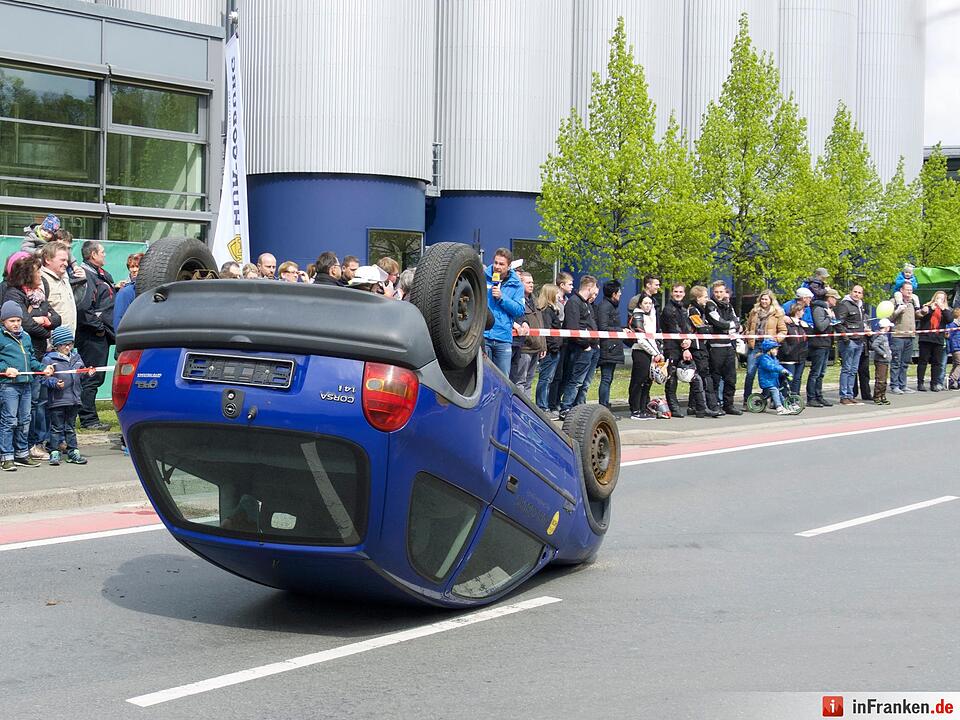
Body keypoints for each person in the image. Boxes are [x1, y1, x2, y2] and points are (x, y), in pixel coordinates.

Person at [5, 254, 61, 460]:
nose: (40, 275)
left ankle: (33, 444)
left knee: (38, 404)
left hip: (38, 356)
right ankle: (21, 447)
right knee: (22, 410)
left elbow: (56, 317)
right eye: (37, 271)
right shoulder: (14, 294)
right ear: (28, 274)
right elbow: (26, 324)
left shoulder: (38, 294)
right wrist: (46, 330)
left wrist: (43, 320)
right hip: (24, 360)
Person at [0, 301, 54, 471]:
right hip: (9, 386)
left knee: (25, 420)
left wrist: (42, 368)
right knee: (9, 420)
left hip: (26, 385)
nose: (15, 324)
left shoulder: (26, 337)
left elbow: (30, 359)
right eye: (11, 321)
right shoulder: (1, 337)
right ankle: (6, 456)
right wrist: (5, 369)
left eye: (18, 320)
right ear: (3, 322)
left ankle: (22, 453)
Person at [77, 241, 115, 430]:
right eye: (102, 252)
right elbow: (84, 308)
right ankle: (88, 419)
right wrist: (99, 328)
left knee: (97, 377)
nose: (105, 255)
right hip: (92, 336)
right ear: (93, 254)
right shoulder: (86, 275)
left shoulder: (100, 274)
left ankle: (89, 417)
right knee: (91, 377)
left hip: (103, 335)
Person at [43, 325, 88, 466]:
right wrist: (55, 383)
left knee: (70, 427)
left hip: (74, 399)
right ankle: (54, 451)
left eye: (70, 344)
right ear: (57, 346)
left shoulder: (76, 357)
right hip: (57, 401)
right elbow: (43, 379)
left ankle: (73, 451)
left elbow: (82, 372)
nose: (68, 347)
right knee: (56, 427)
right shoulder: (49, 359)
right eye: (64, 345)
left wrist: (87, 372)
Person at [558, 275, 599, 419]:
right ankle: (566, 407)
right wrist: (585, 344)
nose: (595, 291)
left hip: (592, 347)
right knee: (576, 380)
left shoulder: (587, 304)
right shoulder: (574, 303)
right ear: (589, 287)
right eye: (594, 288)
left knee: (585, 382)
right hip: (581, 348)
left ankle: (580, 408)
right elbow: (573, 328)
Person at [483, 248, 525, 377]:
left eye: (501, 264)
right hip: (483, 336)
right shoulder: (482, 277)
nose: (497, 267)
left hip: (503, 338)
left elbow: (519, 310)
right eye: (496, 262)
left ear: (509, 266)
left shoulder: (516, 285)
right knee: (483, 378)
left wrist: (502, 298)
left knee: (502, 380)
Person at [741, 289, 786, 408]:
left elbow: (783, 331)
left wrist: (775, 342)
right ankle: (746, 400)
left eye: (766, 299)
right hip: (755, 346)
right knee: (750, 373)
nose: (764, 301)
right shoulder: (754, 311)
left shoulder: (778, 313)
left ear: (771, 300)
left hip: (768, 348)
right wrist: (747, 335)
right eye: (762, 298)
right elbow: (749, 326)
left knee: (769, 373)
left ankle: (765, 397)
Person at [704, 280, 742, 415]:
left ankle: (729, 404)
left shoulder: (728, 305)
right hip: (715, 347)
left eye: (721, 291)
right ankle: (714, 405)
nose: (719, 294)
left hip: (728, 347)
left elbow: (737, 321)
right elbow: (718, 322)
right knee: (715, 378)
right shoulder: (710, 305)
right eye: (716, 292)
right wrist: (731, 326)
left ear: (725, 292)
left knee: (731, 378)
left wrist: (732, 325)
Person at [686, 285, 721, 415]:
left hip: (702, 346)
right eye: (705, 297)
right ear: (698, 297)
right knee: (703, 376)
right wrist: (713, 328)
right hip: (697, 347)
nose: (707, 299)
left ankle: (693, 405)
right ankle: (706, 407)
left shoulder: (701, 310)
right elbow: (701, 328)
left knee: (700, 377)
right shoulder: (693, 310)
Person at [510, 272, 545, 398]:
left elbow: (540, 324)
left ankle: (528, 409)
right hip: (524, 347)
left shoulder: (534, 301)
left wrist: (543, 345)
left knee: (529, 381)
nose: (532, 285)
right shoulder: (518, 300)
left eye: (532, 282)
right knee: (520, 380)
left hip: (536, 347)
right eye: (528, 282)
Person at [627, 294, 662, 420]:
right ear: (640, 304)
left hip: (651, 353)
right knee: (638, 381)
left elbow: (653, 337)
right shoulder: (638, 315)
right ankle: (635, 410)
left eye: (650, 303)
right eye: (645, 303)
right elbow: (641, 339)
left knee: (647, 382)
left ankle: (642, 408)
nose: (648, 305)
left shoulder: (651, 316)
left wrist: (658, 352)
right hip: (640, 352)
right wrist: (655, 353)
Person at [835, 285, 869, 405]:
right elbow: (838, 323)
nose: (857, 294)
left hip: (860, 340)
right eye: (855, 292)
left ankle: (850, 394)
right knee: (847, 369)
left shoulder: (861, 305)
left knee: (853, 370)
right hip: (849, 341)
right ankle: (844, 395)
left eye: (859, 292)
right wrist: (846, 338)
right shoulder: (845, 304)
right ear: (851, 292)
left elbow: (861, 322)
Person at [805, 287, 839, 407]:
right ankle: (811, 397)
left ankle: (819, 396)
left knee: (822, 373)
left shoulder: (828, 309)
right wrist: (829, 317)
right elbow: (820, 326)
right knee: (815, 372)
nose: (836, 301)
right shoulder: (819, 309)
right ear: (829, 298)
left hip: (826, 344)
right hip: (818, 344)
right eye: (835, 299)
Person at [547, 272, 573, 412]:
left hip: (566, 341)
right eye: (569, 284)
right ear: (561, 285)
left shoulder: (568, 300)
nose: (572, 286)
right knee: (555, 375)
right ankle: (551, 403)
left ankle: (557, 400)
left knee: (564, 373)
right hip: (557, 342)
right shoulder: (555, 301)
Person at [535, 283, 563, 412]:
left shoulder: (552, 310)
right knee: (545, 378)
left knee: (549, 378)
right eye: (557, 293)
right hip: (551, 350)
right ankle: (542, 405)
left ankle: (545, 404)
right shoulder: (546, 311)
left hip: (554, 349)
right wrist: (553, 346)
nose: (559, 296)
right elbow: (547, 332)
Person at [596, 280, 624, 410]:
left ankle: (605, 403)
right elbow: (603, 327)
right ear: (613, 294)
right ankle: (603, 405)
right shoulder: (605, 306)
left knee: (609, 378)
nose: (620, 294)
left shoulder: (611, 306)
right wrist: (620, 330)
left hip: (612, 347)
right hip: (608, 348)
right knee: (606, 378)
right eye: (619, 292)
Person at [916, 290, 951, 392]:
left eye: (942, 298)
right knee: (923, 361)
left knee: (937, 363)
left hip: (938, 339)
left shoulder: (945, 310)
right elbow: (922, 316)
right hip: (926, 338)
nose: (939, 300)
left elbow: (949, 320)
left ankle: (934, 384)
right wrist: (931, 309)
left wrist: (943, 309)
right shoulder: (927, 306)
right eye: (938, 298)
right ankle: (920, 383)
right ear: (934, 298)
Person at [40, 241, 77, 335]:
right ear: (48, 260)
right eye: (62, 260)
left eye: (67, 260)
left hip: (68, 343)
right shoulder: (41, 281)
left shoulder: (64, 278)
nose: (66, 264)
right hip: (51, 345)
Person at [889, 281, 920, 394]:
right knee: (896, 361)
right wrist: (897, 311)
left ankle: (903, 385)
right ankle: (894, 385)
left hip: (910, 336)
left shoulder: (912, 303)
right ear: (901, 290)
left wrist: (923, 312)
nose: (909, 292)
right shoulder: (894, 302)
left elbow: (918, 316)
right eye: (907, 289)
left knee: (905, 362)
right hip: (898, 336)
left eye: (911, 290)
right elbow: (888, 318)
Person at [756, 339, 793, 415]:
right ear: (769, 350)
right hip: (766, 381)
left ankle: (786, 405)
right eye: (775, 349)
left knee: (779, 393)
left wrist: (787, 372)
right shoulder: (764, 359)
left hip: (773, 381)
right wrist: (781, 370)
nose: (777, 351)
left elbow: (778, 366)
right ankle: (779, 408)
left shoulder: (774, 359)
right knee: (775, 391)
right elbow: (771, 367)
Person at [778, 301, 808, 387]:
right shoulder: (787, 324)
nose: (803, 313)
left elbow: (808, 337)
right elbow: (782, 338)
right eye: (802, 311)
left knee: (797, 379)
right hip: (789, 357)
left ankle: (795, 398)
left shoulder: (802, 324)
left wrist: (806, 327)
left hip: (800, 356)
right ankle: (783, 398)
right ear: (797, 311)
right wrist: (787, 350)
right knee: (788, 379)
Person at [872, 317, 893, 405]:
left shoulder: (884, 336)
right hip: (881, 361)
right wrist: (883, 354)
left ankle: (882, 395)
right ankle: (877, 396)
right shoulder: (880, 336)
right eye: (889, 327)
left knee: (884, 380)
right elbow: (874, 345)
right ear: (886, 327)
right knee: (880, 379)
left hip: (885, 361)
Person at [946, 308, 960, 390]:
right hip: (956, 347)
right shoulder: (952, 325)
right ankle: (952, 379)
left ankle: (953, 382)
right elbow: (948, 335)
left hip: (956, 347)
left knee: (956, 365)